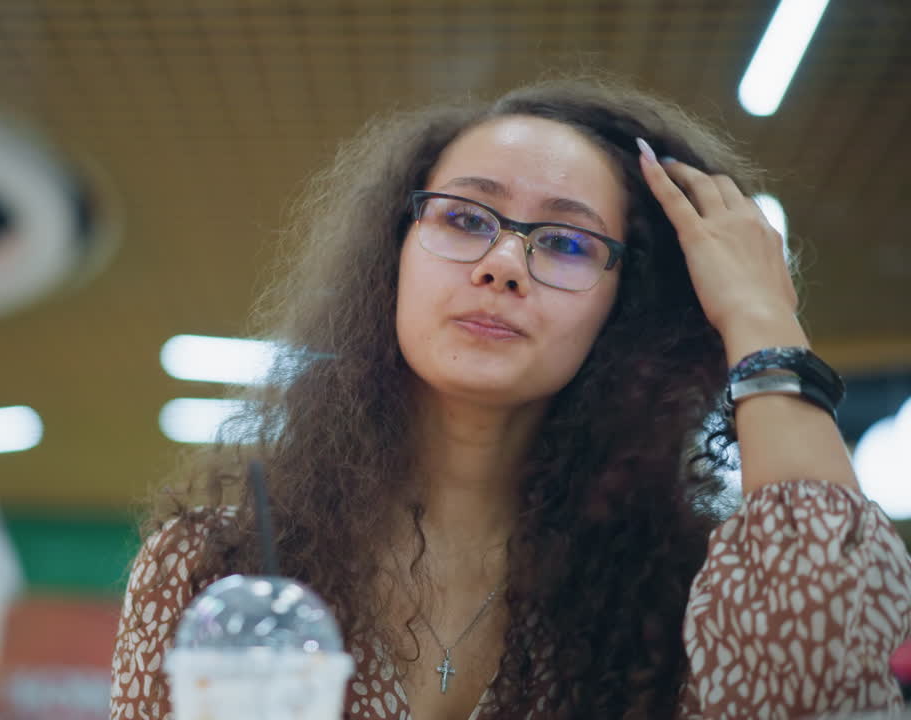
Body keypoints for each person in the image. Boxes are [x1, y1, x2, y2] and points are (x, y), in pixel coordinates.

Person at [110, 75, 911, 719]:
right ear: (395, 257)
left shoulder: (690, 589)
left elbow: (824, 684)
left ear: (622, 307)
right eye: (463, 218)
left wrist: (762, 320)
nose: (501, 264)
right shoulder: (216, 570)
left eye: (565, 242)